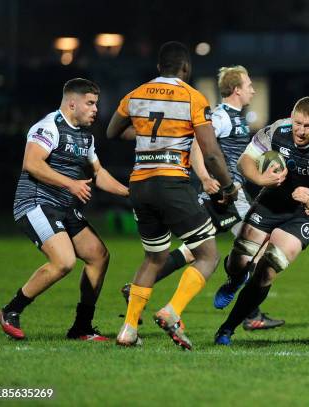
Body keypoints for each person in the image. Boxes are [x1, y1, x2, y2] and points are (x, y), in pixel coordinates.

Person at [119, 65, 284, 330]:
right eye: (249, 84)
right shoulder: (221, 116)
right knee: (260, 245)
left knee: (194, 251)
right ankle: (250, 313)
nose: (253, 88)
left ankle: (137, 287)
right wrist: (206, 178)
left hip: (229, 193)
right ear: (236, 89)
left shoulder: (237, 117)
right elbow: (198, 144)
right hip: (228, 194)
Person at [107, 41, 237, 349]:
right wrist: (228, 186)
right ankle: (171, 311)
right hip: (172, 184)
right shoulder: (192, 97)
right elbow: (212, 153)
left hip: (140, 185)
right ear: (186, 68)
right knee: (207, 254)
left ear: (158, 67)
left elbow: (112, 131)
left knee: (154, 257)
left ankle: (128, 329)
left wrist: (147, 131)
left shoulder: (135, 94)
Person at [0, 78, 129, 341]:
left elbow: (99, 173)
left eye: (96, 104)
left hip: (64, 208)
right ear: (72, 103)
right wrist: (71, 184)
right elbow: (32, 163)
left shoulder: (86, 136)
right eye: (90, 103)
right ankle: (11, 310)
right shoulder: (48, 127)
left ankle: (82, 327)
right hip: (35, 203)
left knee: (98, 256)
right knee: (64, 261)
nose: (95, 109)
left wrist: (130, 193)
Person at [214, 96, 309, 345]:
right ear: (291, 118)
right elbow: (245, 161)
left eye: (308, 126)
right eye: (298, 123)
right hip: (270, 201)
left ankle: (227, 329)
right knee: (237, 262)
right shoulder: (277, 130)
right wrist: (262, 180)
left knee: (267, 270)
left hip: (303, 215)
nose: (300, 131)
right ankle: (235, 278)